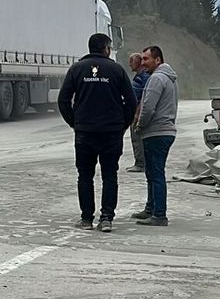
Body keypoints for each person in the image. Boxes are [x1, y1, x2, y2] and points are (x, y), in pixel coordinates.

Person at [58, 33, 137, 233]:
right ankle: (106, 218)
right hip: (111, 132)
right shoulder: (116, 70)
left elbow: (63, 100)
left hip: (85, 132)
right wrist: (123, 125)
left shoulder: (76, 69)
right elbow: (131, 101)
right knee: (110, 175)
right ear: (106, 49)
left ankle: (86, 218)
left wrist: (74, 122)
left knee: (85, 175)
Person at [132, 45, 178, 226]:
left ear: (157, 60)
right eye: (142, 59)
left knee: (156, 173)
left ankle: (159, 214)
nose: (142, 63)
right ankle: (150, 209)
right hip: (165, 130)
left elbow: (148, 107)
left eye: (146, 59)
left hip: (156, 132)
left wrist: (139, 125)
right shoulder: (170, 78)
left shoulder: (156, 79)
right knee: (152, 172)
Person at [127, 53, 150, 172]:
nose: (129, 64)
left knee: (137, 138)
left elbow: (143, 97)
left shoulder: (143, 76)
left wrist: (137, 114)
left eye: (131, 61)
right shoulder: (141, 76)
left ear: (138, 62)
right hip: (137, 111)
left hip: (138, 112)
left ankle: (140, 164)